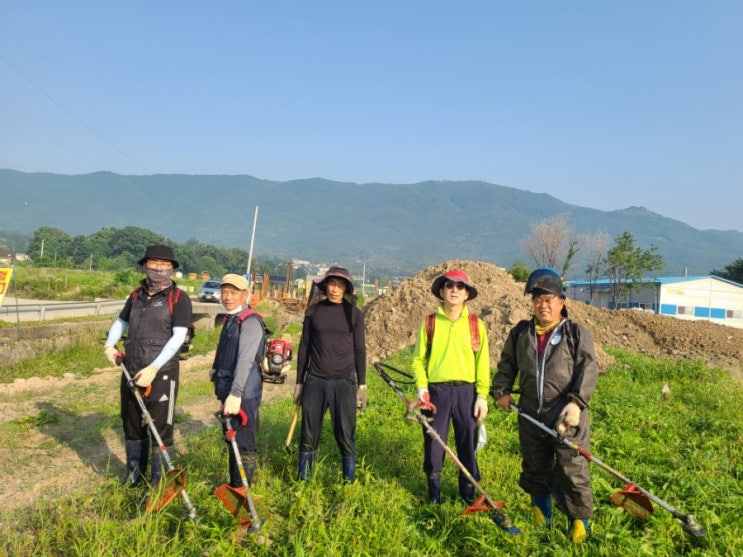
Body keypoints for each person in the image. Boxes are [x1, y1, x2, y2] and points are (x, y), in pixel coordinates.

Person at [490, 267, 598, 543]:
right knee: (536, 466)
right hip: (530, 413)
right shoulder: (521, 333)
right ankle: (542, 513)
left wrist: (576, 403)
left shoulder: (575, 333)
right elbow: (507, 365)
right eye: (538, 299)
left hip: (565, 414)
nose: (543, 304)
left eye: (549, 299)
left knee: (572, 469)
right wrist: (501, 389)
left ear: (562, 302)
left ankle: (579, 522)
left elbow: (588, 369)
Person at [103, 244, 193, 488]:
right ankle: (134, 475)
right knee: (131, 423)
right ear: (145, 266)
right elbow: (121, 322)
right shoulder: (136, 296)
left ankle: (158, 481)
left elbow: (178, 337)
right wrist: (110, 345)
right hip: (131, 368)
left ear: (172, 269)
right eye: (154, 264)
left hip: (161, 373)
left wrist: (154, 368)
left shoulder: (179, 299)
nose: (159, 270)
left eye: (165, 266)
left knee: (160, 427)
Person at [411, 269, 490, 505]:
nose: (454, 290)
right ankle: (434, 496)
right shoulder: (430, 323)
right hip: (437, 393)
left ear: (467, 294)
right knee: (434, 442)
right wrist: (422, 387)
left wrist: (482, 396)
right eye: (450, 285)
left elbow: (482, 363)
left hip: (467, 393)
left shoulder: (477, 325)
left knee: (468, 442)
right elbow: (418, 359)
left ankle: (467, 495)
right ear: (442, 291)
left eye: (460, 287)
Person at [294, 266, 367, 482]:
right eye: (332, 284)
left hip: (344, 382)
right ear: (326, 285)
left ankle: (348, 481)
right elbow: (304, 346)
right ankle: (304, 481)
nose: (335, 289)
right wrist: (299, 383)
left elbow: (360, 350)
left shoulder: (354, 313)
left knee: (345, 433)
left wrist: (362, 385)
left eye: (340, 285)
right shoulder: (314, 311)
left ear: (346, 288)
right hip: (315, 380)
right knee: (308, 432)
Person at [209, 273, 266, 489]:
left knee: (243, 442)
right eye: (224, 292)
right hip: (230, 391)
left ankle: (243, 490)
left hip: (243, 394)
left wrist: (236, 392)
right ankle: (234, 485)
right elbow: (224, 349)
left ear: (245, 295)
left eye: (233, 293)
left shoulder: (250, 322)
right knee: (231, 438)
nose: (228, 297)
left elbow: (245, 360)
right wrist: (215, 369)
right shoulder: (231, 319)